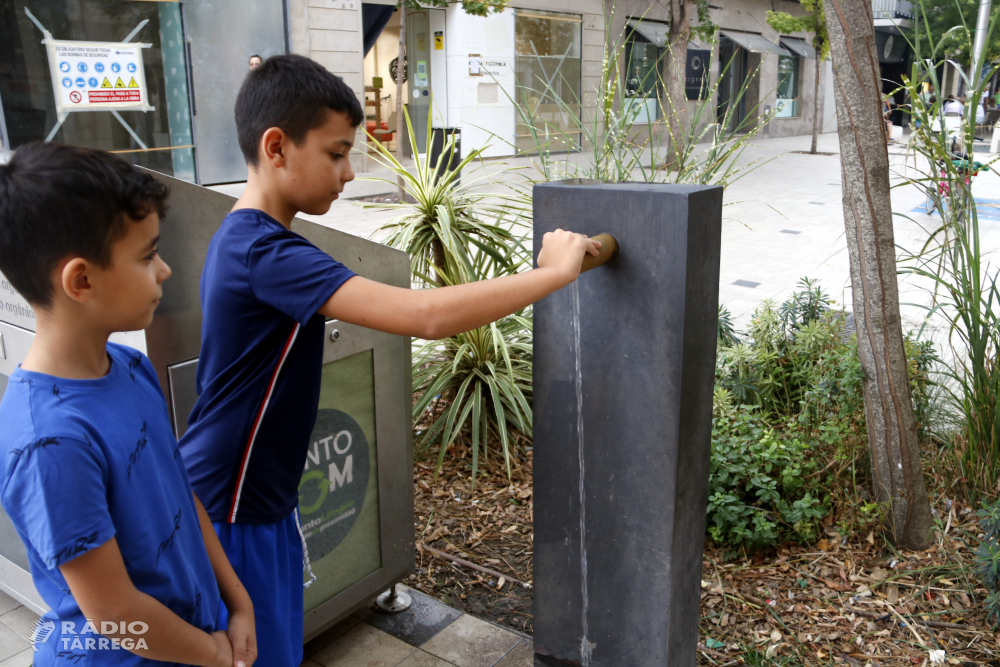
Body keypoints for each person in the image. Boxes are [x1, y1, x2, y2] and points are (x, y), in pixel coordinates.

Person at [177, 54, 601, 667]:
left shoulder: (254, 240)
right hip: (232, 506)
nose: (350, 172)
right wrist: (552, 274)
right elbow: (424, 316)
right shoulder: (264, 253)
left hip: (254, 498)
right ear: (276, 146)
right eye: (336, 152)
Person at [0, 143, 257, 667]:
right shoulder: (50, 443)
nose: (164, 270)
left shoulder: (129, 365)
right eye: (146, 255)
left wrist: (238, 602)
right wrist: (213, 653)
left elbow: (182, 497)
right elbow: (114, 613)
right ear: (81, 280)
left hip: (192, 642)